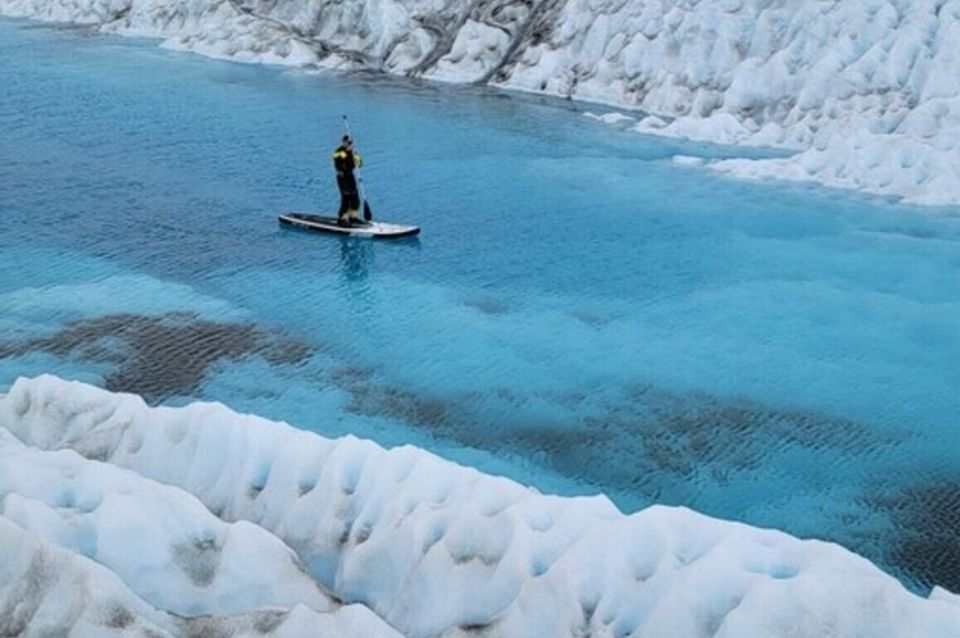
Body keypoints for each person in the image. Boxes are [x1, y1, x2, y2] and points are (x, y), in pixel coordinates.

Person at [333, 135, 364, 226]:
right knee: (346, 197)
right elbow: (338, 161)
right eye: (345, 142)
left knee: (355, 197)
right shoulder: (338, 152)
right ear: (342, 142)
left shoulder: (352, 153)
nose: (346, 143)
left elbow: (360, 164)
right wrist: (348, 151)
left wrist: (358, 159)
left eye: (349, 142)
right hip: (342, 177)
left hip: (350, 176)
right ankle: (342, 219)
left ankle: (353, 217)